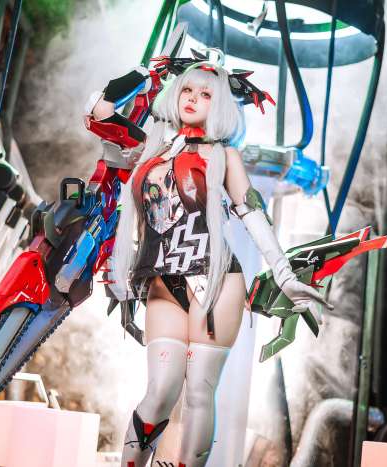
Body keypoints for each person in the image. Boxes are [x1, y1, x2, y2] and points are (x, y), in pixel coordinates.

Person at [85, 53, 332, 467]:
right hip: (163, 282)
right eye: (186, 89)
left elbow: (252, 213)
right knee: (159, 391)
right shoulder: (150, 149)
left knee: (199, 393)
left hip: (216, 282)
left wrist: (284, 273)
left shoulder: (224, 156)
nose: (192, 98)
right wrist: (146, 74)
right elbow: (99, 110)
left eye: (205, 94)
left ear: (219, 106)